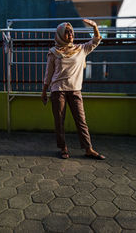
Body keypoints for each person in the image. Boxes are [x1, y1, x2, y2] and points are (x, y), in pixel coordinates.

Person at [41, 19, 105, 160]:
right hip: (58, 90)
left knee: (81, 120)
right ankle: (63, 148)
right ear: (60, 35)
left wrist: (94, 26)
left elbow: (95, 40)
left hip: (75, 90)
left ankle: (88, 149)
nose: (70, 34)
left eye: (71, 31)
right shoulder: (53, 52)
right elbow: (49, 73)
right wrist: (44, 91)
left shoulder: (81, 49)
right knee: (59, 121)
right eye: (66, 32)